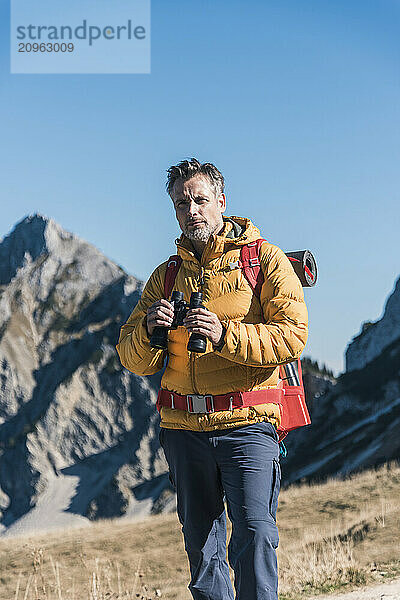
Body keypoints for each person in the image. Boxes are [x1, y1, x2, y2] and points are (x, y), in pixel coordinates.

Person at [116, 158, 308, 600]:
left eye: (200, 200)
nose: (192, 210)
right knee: (202, 550)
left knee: (255, 535)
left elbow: (293, 335)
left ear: (221, 201)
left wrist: (224, 335)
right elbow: (132, 357)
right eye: (182, 204)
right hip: (184, 431)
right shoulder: (164, 277)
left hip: (249, 424)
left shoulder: (265, 260)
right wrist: (148, 331)